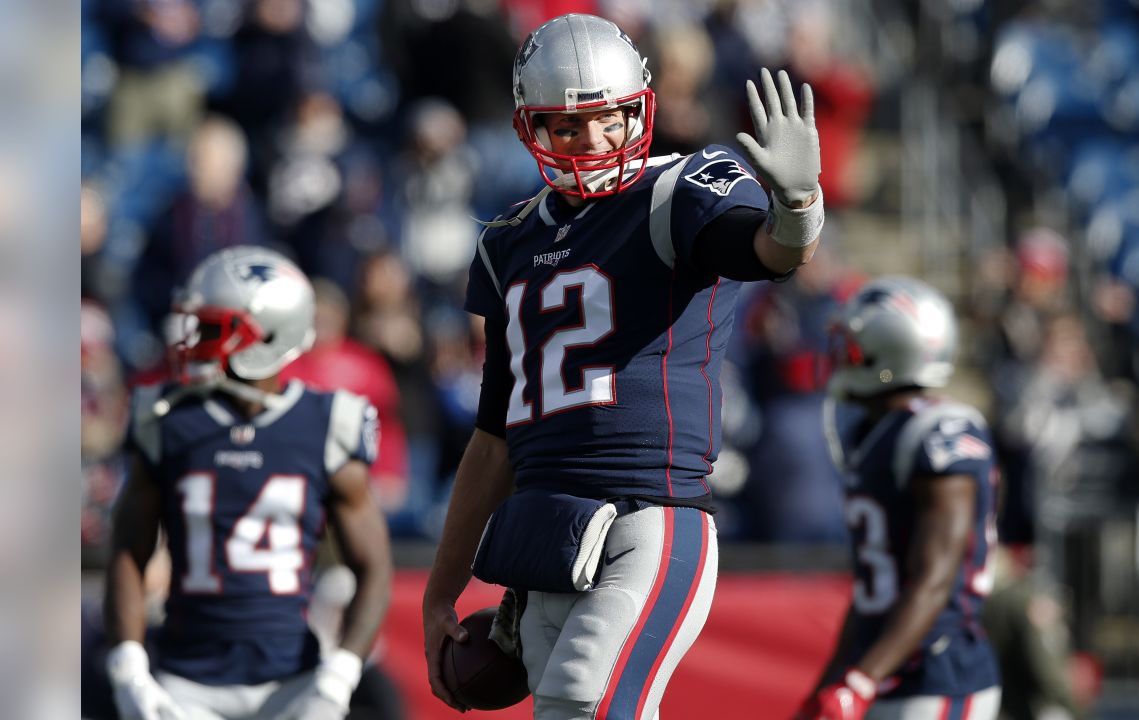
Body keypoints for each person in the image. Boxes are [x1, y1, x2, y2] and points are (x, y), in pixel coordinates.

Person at [420, 12, 825, 720]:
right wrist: (439, 590)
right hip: (547, 532)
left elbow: (764, 251)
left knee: (593, 701)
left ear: (640, 110)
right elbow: (493, 436)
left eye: (609, 120)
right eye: (566, 127)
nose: (591, 141)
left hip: (652, 517)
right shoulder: (509, 242)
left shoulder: (676, 192)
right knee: (565, 709)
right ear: (530, 129)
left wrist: (796, 207)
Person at [102, 246, 393, 720]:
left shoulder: (329, 423)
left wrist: (337, 680)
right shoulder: (167, 418)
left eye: (215, 327)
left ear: (269, 337)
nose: (194, 339)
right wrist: (129, 671)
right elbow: (127, 551)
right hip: (184, 683)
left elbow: (374, 568)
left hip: (292, 682)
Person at [799, 277, 1001, 720]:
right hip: (886, 668)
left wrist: (858, 681)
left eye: (852, 343)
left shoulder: (941, 432)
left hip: (937, 669)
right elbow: (874, 591)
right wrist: (833, 682)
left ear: (893, 345)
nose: (840, 353)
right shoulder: (874, 432)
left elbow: (934, 578)